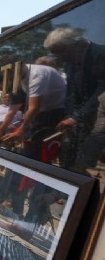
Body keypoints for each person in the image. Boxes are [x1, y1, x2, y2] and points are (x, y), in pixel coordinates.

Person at [44, 28, 105, 168]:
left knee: (85, 158)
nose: (59, 56)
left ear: (77, 44)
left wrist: (76, 117)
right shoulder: (70, 63)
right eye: (55, 52)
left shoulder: (100, 54)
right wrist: (69, 117)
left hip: (99, 114)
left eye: (61, 50)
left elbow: (101, 90)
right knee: (66, 156)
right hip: (82, 117)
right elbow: (71, 93)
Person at [0, 58, 67, 162]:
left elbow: (33, 107)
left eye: (12, 74)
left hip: (55, 111)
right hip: (43, 112)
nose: (12, 77)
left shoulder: (36, 75)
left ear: (21, 65)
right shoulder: (21, 77)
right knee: (29, 148)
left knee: (34, 150)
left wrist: (20, 130)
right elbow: (19, 109)